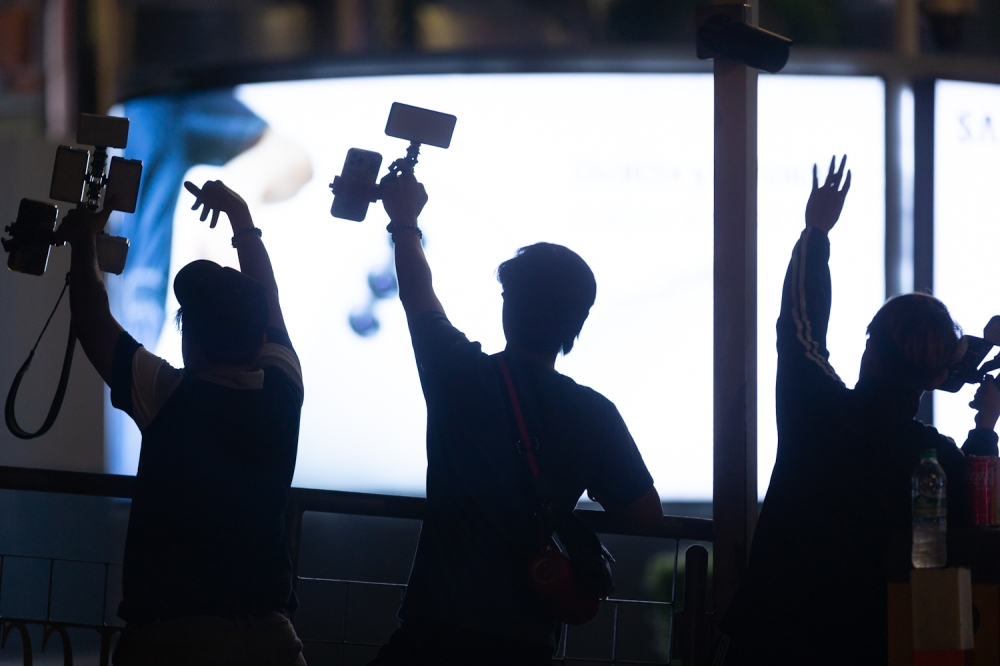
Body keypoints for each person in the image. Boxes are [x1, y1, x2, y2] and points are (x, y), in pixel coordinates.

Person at [367, 167, 663, 666]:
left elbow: (418, 293)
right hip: (525, 640)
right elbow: (646, 516)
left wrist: (404, 222)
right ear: (577, 322)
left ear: (509, 307)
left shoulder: (458, 374)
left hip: (433, 630)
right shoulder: (595, 414)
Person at [720, 156, 1000, 665]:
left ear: (868, 349)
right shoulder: (934, 459)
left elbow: (800, 323)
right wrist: (984, 426)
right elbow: (979, 524)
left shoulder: (813, 406)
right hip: (873, 648)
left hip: (769, 640)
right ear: (936, 380)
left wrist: (817, 231)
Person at [56, 180, 306, 666]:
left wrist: (84, 240)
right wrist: (241, 219)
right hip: (274, 640)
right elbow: (270, 300)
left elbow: (91, 316)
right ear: (261, 341)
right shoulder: (284, 392)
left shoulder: (169, 397)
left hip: (178, 641)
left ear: (188, 339)